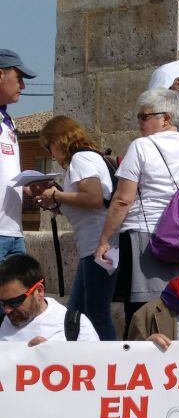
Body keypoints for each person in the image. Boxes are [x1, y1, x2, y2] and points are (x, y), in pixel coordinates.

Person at [94, 88, 179, 337]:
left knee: (143, 313)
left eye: (144, 116)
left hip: (144, 236)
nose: (139, 122)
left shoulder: (141, 147)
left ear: (166, 118)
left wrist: (104, 240)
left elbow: (123, 200)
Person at [33, 116, 118, 340]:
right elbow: (87, 204)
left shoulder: (81, 159)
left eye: (49, 146)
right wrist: (55, 203)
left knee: (95, 313)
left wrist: (56, 195)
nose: (51, 154)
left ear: (58, 140)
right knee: (76, 313)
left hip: (98, 247)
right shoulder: (88, 158)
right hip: (95, 247)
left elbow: (94, 198)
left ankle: (110, 358)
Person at [0, 254, 99, 343]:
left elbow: (94, 357)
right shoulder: (2, 323)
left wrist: (49, 354)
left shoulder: (76, 326)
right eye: (2, 303)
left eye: (14, 302)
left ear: (39, 291)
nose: (7, 310)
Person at [0, 49, 37, 260]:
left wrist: (28, 186)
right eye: (19, 78)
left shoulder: (9, 122)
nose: (22, 86)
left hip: (14, 232)